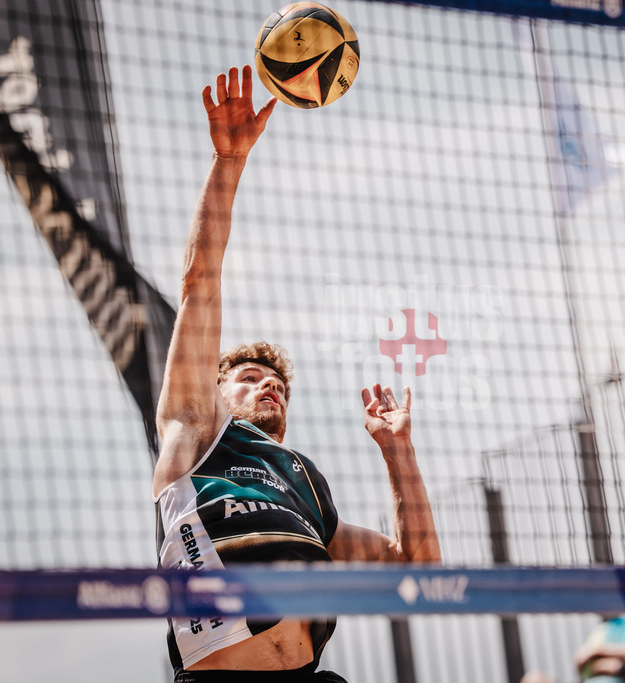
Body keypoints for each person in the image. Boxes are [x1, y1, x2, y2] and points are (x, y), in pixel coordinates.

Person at [153, 65, 442, 683]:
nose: (269, 386)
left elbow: (417, 568)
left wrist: (398, 451)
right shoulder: (195, 432)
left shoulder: (305, 487)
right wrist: (229, 161)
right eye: (250, 377)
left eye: (277, 383)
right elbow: (199, 283)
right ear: (213, 390)